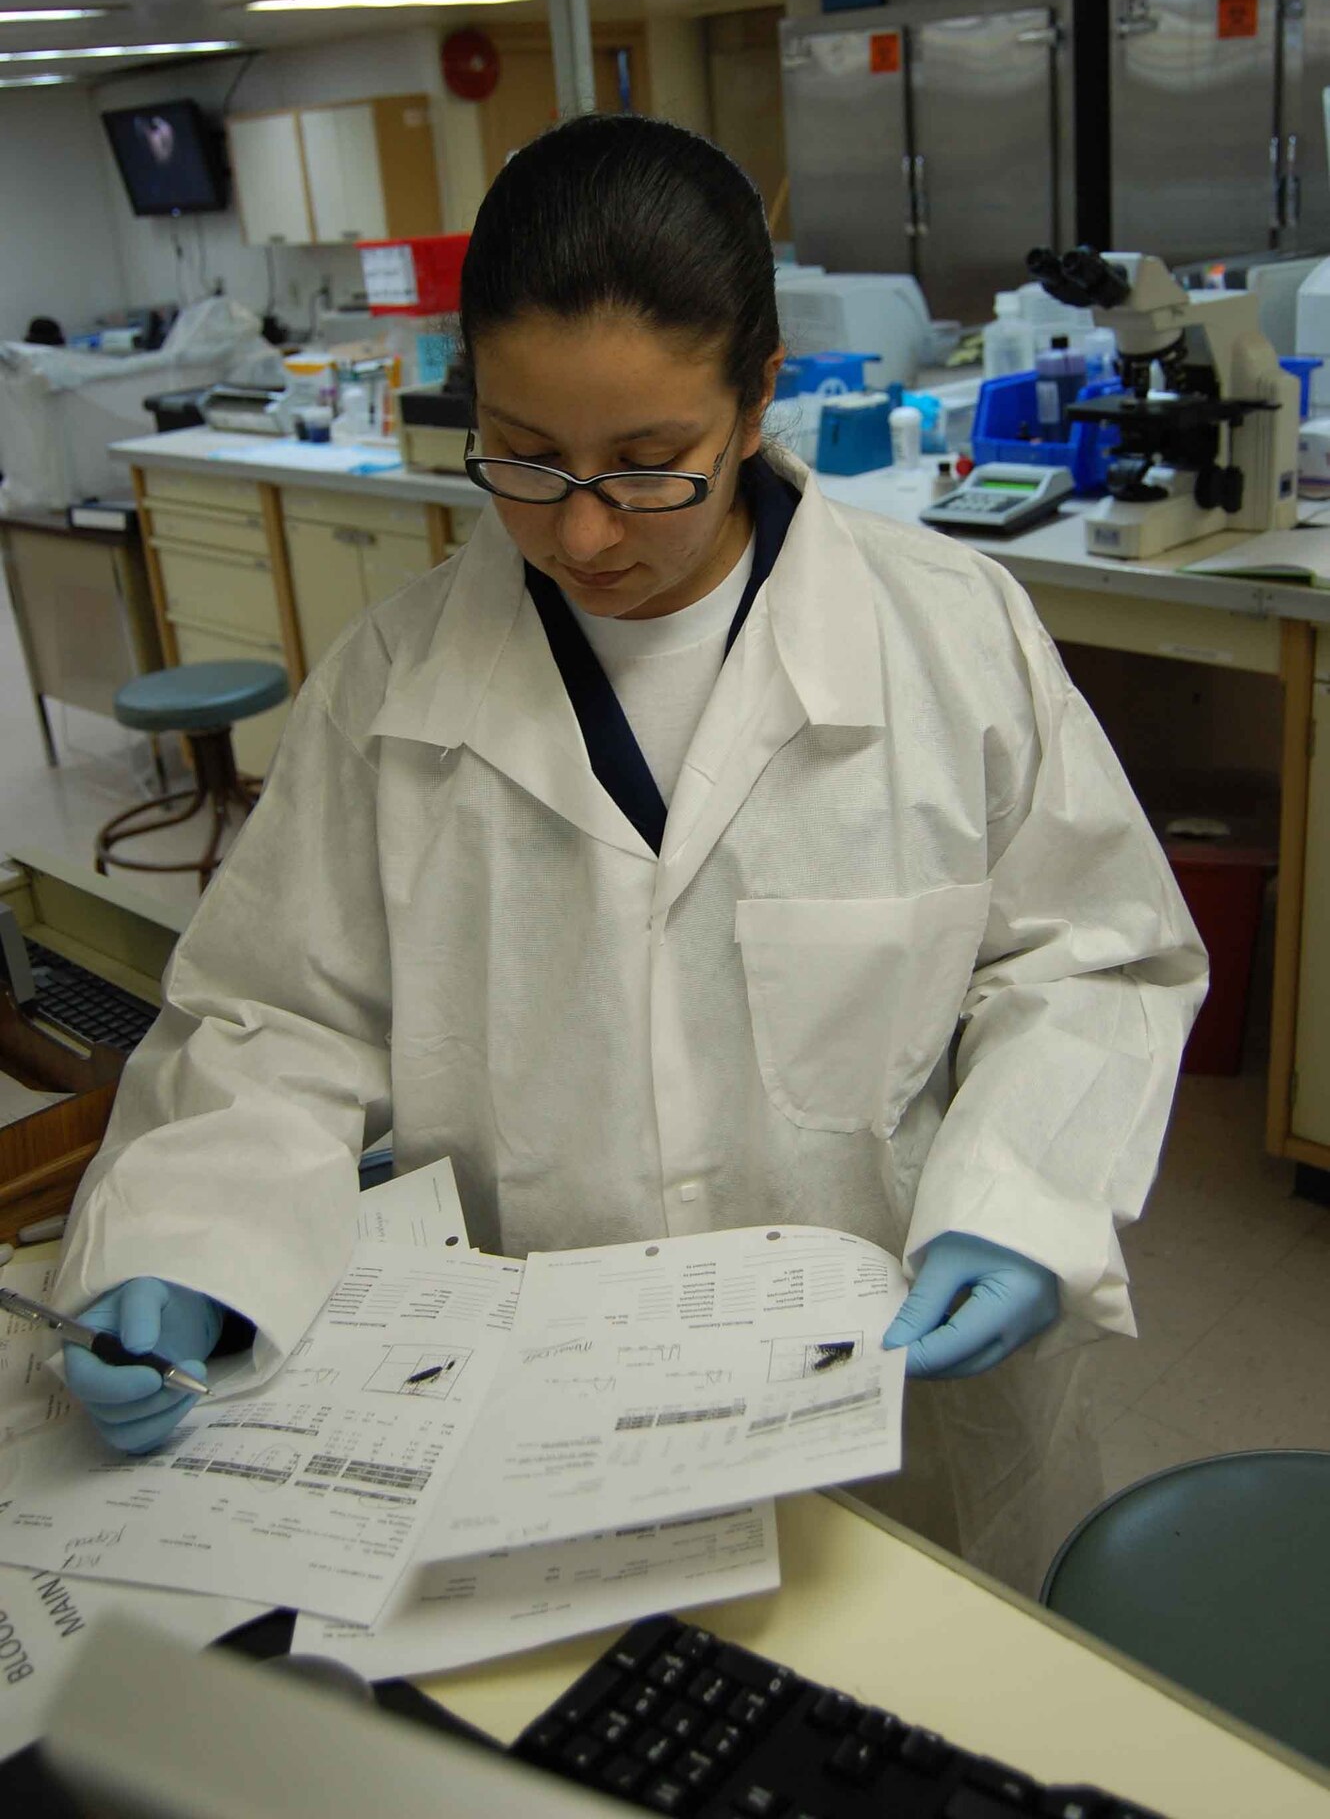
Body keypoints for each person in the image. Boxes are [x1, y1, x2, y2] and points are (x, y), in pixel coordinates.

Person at [54, 116, 1206, 1593]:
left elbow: (1091, 957)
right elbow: (281, 1014)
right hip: (543, 1421)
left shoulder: (951, 635)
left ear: (754, 401)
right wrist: (187, 1238)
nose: (584, 533)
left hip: (897, 1411)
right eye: (526, 461)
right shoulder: (393, 684)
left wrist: (1025, 1201)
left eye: (649, 463)